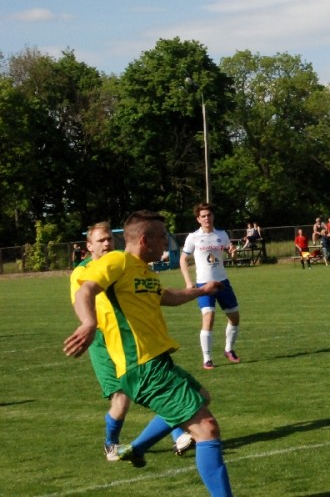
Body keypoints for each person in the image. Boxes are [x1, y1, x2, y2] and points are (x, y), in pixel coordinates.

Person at [64, 211, 233, 495]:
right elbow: (85, 291)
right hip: (142, 366)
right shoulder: (117, 261)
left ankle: (138, 448)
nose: (166, 243)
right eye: (162, 237)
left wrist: (202, 290)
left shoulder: (144, 270)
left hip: (158, 362)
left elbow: (166, 296)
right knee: (207, 428)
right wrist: (89, 323)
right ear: (145, 240)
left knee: (202, 396)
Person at [71, 221, 193, 461]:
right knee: (121, 399)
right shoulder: (82, 271)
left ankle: (178, 434)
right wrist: (89, 324)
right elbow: (81, 298)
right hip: (102, 340)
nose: (107, 243)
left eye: (109, 238)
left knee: (160, 386)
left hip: (130, 337)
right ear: (89, 246)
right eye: (100, 240)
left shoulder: (123, 262)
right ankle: (111, 444)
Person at [180, 203, 242, 370]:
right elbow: (183, 259)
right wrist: (188, 282)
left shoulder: (222, 235)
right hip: (204, 285)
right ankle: (207, 358)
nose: (207, 218)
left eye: (209, 215)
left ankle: (229, 349)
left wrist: (234, 254)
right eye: (203, 216)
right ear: (198, 219)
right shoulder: (193, 237)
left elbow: (232, 256)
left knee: (234, 317)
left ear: (213, 217)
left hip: (222, 283)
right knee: (209, 317)